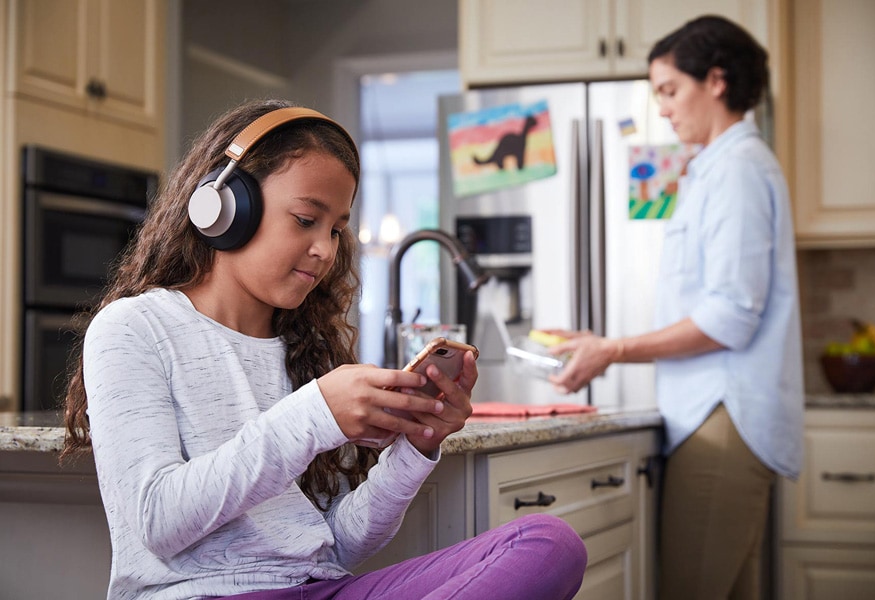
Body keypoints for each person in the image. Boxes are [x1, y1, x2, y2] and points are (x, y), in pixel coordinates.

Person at [62, 99, 587, 600]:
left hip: (317, 588)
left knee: (549, 544)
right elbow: (157, 519)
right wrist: (316, 412)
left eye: (337, 229)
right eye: (306, 219)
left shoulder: (303, 348)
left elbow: (338, 544)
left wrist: (418, 445)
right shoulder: (133, 328)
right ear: (224, 207)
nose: (325, 250)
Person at [546, 15, 803, 600]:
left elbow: (731, 317)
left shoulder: (737, 168)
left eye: (668, 90)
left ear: (715, 81)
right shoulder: (718, 168)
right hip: (716, 414)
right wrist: (603, 342)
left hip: (724, 416)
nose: (662, 109)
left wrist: (612, 349)